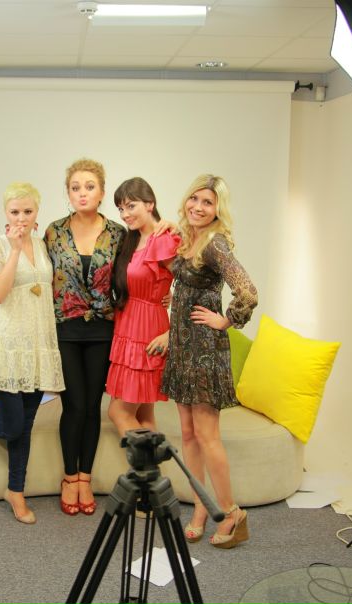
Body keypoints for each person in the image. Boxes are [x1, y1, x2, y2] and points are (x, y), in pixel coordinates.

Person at [161, 174, 258, 549]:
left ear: (218, 209)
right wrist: (176, 300)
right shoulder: (189, 239)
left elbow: (247, 291)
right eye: (195, 199)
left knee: (207, 436)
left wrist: (227, 320)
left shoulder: (216, 242)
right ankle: (202, 506)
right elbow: (190, 284)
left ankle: (231, 512)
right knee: (187, 434)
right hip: (182, 347)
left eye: (208, 202)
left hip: (204, 350)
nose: (198, 207)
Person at [0, 181, 64, 525]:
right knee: (11, 427)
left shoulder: (43, 245)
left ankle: (15, 491)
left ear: (37, 212)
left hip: (38, 346)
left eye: (28, 211)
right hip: (9, 347)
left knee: (25, 426)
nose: (21, 218)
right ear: (5, 213)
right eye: (15, 212)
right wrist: (13, 250)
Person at [44, 158, 124, 516]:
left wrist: (162, 295)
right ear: (68, 193)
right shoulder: (54, 232)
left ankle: (85, 478)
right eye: (75, 187)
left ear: (102, 192)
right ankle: (69, 476)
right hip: (65, 328)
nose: (82, 193)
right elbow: (41, 276)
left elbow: (131, 277)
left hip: (104, 330)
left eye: (89, 186)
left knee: (92, 406)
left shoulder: (118, 233)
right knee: (73, 405)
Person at [105, 177, 180, 437]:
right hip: (128, 326)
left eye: (131, 206)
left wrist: (171, 333)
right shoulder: (133, 239)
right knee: (143, 415)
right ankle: (157, 464)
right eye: (120, 208)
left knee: (118, 412)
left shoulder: (164, 239)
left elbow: (192, 288)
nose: (125, 214)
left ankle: (150, 463)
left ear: (150, 204)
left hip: (148, 332)